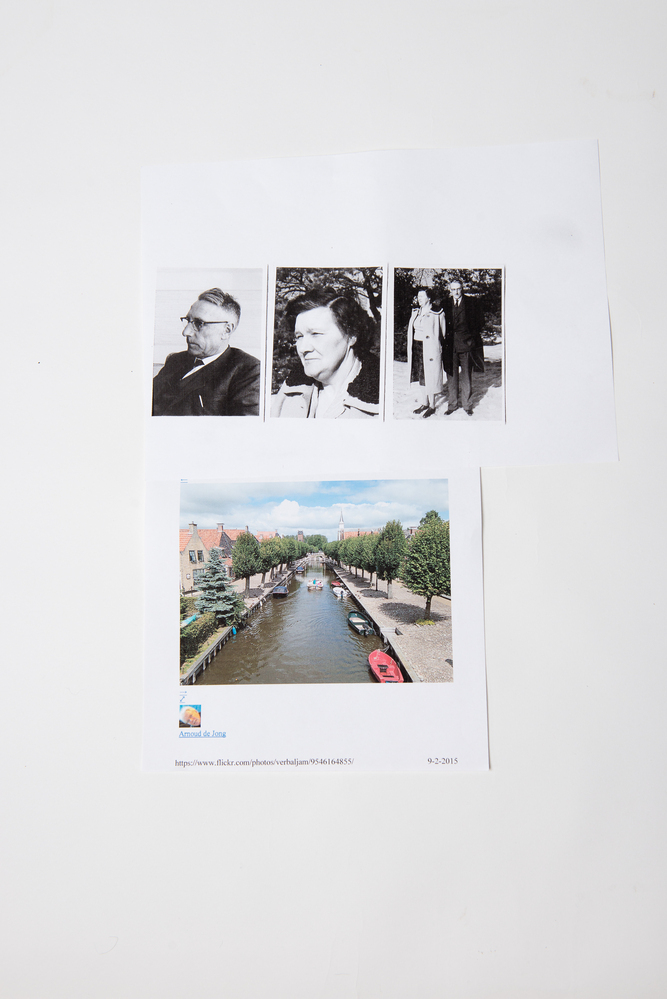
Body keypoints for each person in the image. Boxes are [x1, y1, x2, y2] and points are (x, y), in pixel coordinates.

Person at [271, 288, 380, 419]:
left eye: (316, 334)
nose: (303, 348)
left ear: (351, 335)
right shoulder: (288, 391)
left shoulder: (387, 402)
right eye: (299, 336)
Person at [152, 288, 260, 416]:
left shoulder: (248, 371)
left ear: (227, 330)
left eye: (199, 323)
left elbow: (243, 426)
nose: (186, 332)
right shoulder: (175, 360)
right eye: (188, 321)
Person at [442, 278, 485, 416]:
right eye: (453, 289)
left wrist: (471, 339)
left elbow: (480, 322)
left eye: (458, 289)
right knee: (452, 377)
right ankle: (452, 405)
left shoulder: (471, 303)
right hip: (450, 347)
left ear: (462, 289)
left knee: (466, 376)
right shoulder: (445, 304)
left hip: (466, 345)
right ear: (450, 290)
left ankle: (467, 405)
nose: (456, 292)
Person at [406, 288, 446, 419]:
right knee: (420, 376)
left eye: (422, 296)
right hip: (417, 347)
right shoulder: (416, 312)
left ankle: (432, 406)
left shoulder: (437, 312)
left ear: (429, 298)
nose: (419, 299)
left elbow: (443, 333)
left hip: (429, 348)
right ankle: (424, 403)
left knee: (430, 376)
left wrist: (438, 347)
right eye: (418, 296)